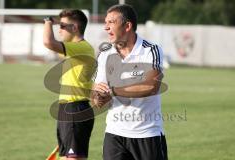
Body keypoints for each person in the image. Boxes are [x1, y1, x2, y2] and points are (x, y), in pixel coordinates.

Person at [93, 4, 168, 160]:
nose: (106, 27)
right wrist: (98, 97)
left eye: (111, 22)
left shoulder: (151, 50)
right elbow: (97, 96)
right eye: (106, 22)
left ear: (127, 26)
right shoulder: (105, 53)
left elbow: (152, 86)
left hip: (147, 134)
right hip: (114, 134)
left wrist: (113, 91)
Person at [43, 9, 95, 160]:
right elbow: (53, 45)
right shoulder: (73, 49)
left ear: (75, 28)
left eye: (63, 26)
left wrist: (47, 21)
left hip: (75, 110)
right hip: (68, 109)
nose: (59, 30)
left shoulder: (82, 48)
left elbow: (48, 42)